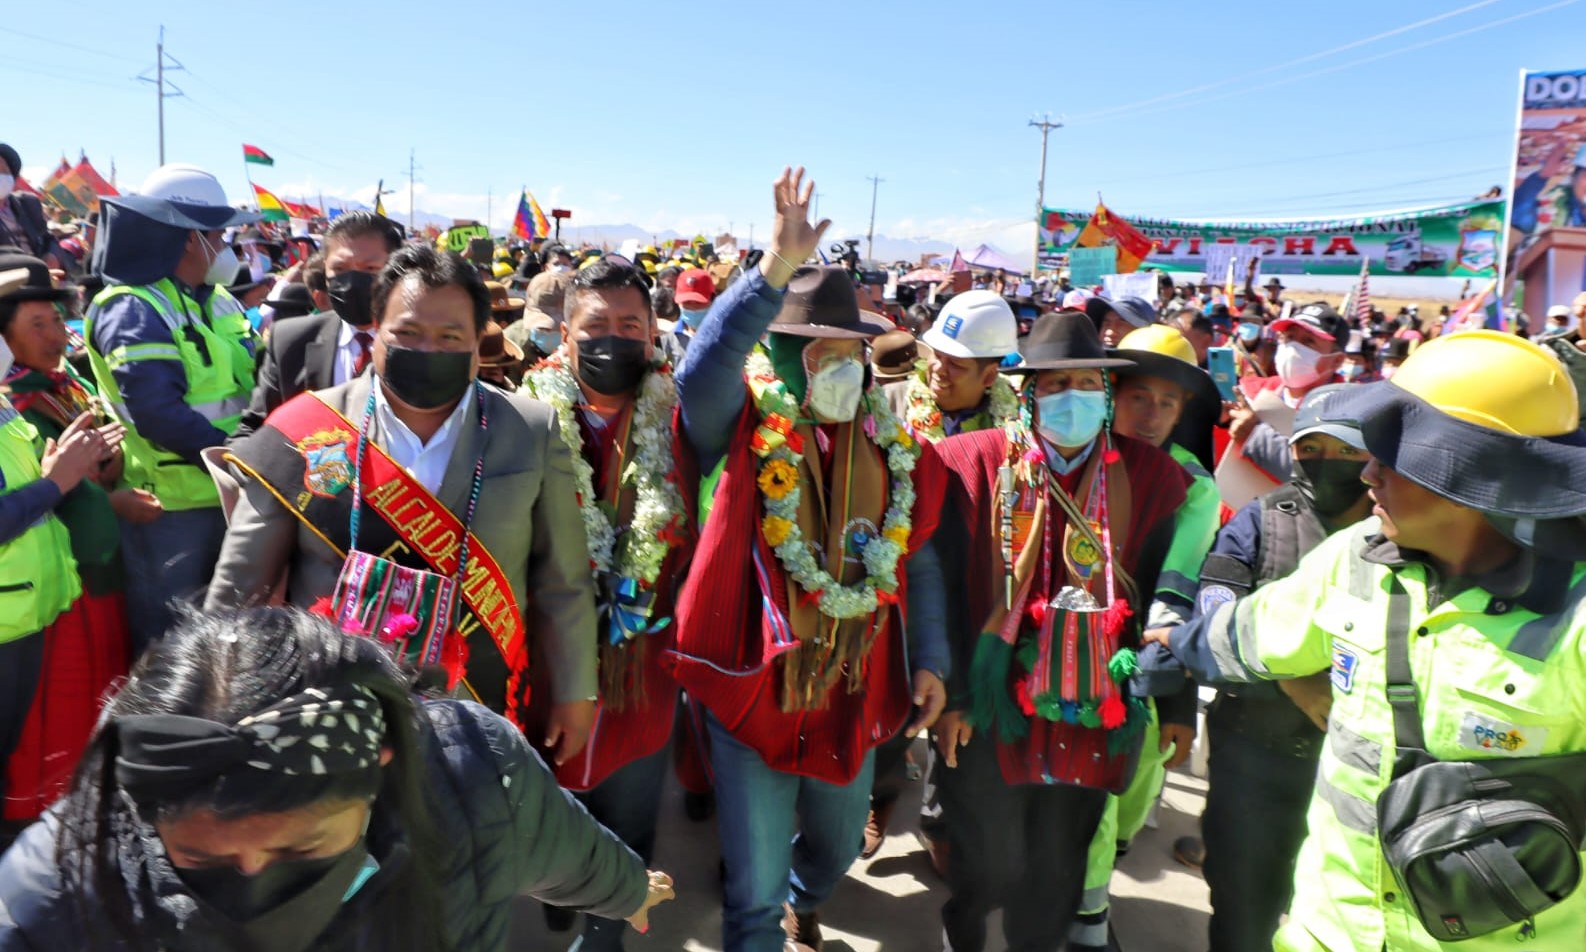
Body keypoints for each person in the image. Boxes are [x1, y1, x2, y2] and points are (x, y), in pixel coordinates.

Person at [1147, 329, 1586, 950]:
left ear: (1470, 471)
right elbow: (1246, 636)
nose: (1368, 471)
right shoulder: (1353, 558)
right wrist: (1170, 642)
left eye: (1398, 453)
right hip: (1334, 930)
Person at [0, 606, 675, 950]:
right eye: (200, 859)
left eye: (301, 850)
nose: (254, 882)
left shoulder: (474, 771)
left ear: (380, 763)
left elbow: (560, 843)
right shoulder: (56, 888)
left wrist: (628, 892)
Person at [669, 167, 949, 952]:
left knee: (831, 850)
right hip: (753, 682)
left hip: (850, 688)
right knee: (751, 900)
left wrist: (928, 658)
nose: (843, 366)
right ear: (784, 356)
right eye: (819, 351)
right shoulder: (743, 420)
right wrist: (773, 271)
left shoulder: (897, 452)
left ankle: (808, 892)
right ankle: (767, 916)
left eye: (853, 352)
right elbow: (700, 370)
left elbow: (917, 564)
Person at [205, 244, 601, 770]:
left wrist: (577, 692)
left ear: (479, 341)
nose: (428, 350)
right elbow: (241, 585)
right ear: (376, 330)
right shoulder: (304, 430)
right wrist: (217, 701)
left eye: (449, 337)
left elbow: (563, 580)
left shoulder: (529, 429)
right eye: (407, 333)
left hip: (474, 710)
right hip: (328, 711)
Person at [929, 310, 1192, 952]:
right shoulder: (967, 463)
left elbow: (1167, 594)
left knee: (1056, 867)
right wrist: (955, 695)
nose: (1070, 395)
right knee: (986, 861)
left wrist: (1177, 703)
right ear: (1028, 392)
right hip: (991, 707)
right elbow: (941, 588)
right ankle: (963, 934)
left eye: (1086, 382)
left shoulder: (1153, 479)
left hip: (1092, 709)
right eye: (1054, 383)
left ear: (1104, 394)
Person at [518, 256, 695, 951]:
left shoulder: (680, 420)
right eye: (596, 325)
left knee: (630, 810)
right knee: (554, 798)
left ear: (652, 336)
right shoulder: (523, 417)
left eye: (630, 325)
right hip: (551, 654)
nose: (612, 340)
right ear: (565, 335)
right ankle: (558, 891)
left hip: (643, 660)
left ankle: (606, 929)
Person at [1166, 385, 1374, 950]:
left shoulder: (1400, 533)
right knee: (1242, 906)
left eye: (1348, 451)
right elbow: (1215, 615)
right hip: (1255, 757)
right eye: (1313, 447)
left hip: (1357, 775)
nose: (1328, 462)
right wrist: (1292, 677)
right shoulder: (1261, 521)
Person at [1070, 322, 1220, 951]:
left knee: (1131, 794)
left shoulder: (1197, 487)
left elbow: (1178, 589)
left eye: (1168, 403)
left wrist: (1171, 688)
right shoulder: (1073, 456)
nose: (1153, 414)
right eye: (1139, 397)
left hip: (1145, 657)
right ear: (1110, 392)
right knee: (1096, 798)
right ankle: (1089, 919)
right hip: (1065, 644)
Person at [84, 163, 261, 651]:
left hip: (229, 499)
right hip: (171, 508)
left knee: (226, 644)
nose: (226, 244)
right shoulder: (132, 307)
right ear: (188, 237)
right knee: (171, 650)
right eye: (219, 233)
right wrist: (241, 462)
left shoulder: (219, 300)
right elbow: (157, 412)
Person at [0, 255, 145, 833]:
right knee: (49, 708)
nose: (59, 336)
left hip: (76, 573)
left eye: (60, 322)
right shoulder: (20, 396)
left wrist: (105, 472)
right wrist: (102, 497)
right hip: (39, 596)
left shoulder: (67, 386)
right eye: (39, 323)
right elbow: (42, 491)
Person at [234, 211, 404, 441]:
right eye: (340, 269)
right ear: (325, 270)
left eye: (370, 269)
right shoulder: (289, 341)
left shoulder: (427, 343)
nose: (353, 281)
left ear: (396, 269)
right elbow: (255, 428)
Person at [1219, 302, 1349, 510]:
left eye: (1308, 342)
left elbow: (1325, 481)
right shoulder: (1251, 392)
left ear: (1337, 361)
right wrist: (1222, 422)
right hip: (1233, 518)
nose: (1292, 348)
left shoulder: (1349, 414)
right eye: (1288, 338)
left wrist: (1255, 436)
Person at [886, 289, 1021, 442]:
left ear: (989, 376)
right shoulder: (889, 404)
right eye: (936, 355)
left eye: (955, 364)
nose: (938, 368)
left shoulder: (1016, 421)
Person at [0, 144, 60, 265]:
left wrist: (52, 254)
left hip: (39, 276)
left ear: (12, 177)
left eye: (4, 170)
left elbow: (48, 238)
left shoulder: (28, 204)